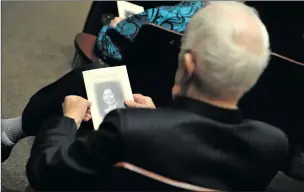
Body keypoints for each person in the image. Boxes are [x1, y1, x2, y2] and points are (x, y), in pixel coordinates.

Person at [3, 1, 289, 191]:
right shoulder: (271, 145)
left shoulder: (129, 127)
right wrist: (160, 118)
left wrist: (67, 120)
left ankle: (11, 131)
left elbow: (46, 171)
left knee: (78, 87)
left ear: (187, 66)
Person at [95, 0, 207, 63]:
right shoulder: (207, 15)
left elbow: (110, 47)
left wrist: (113, 26)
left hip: (137, 70)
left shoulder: (162, 15)